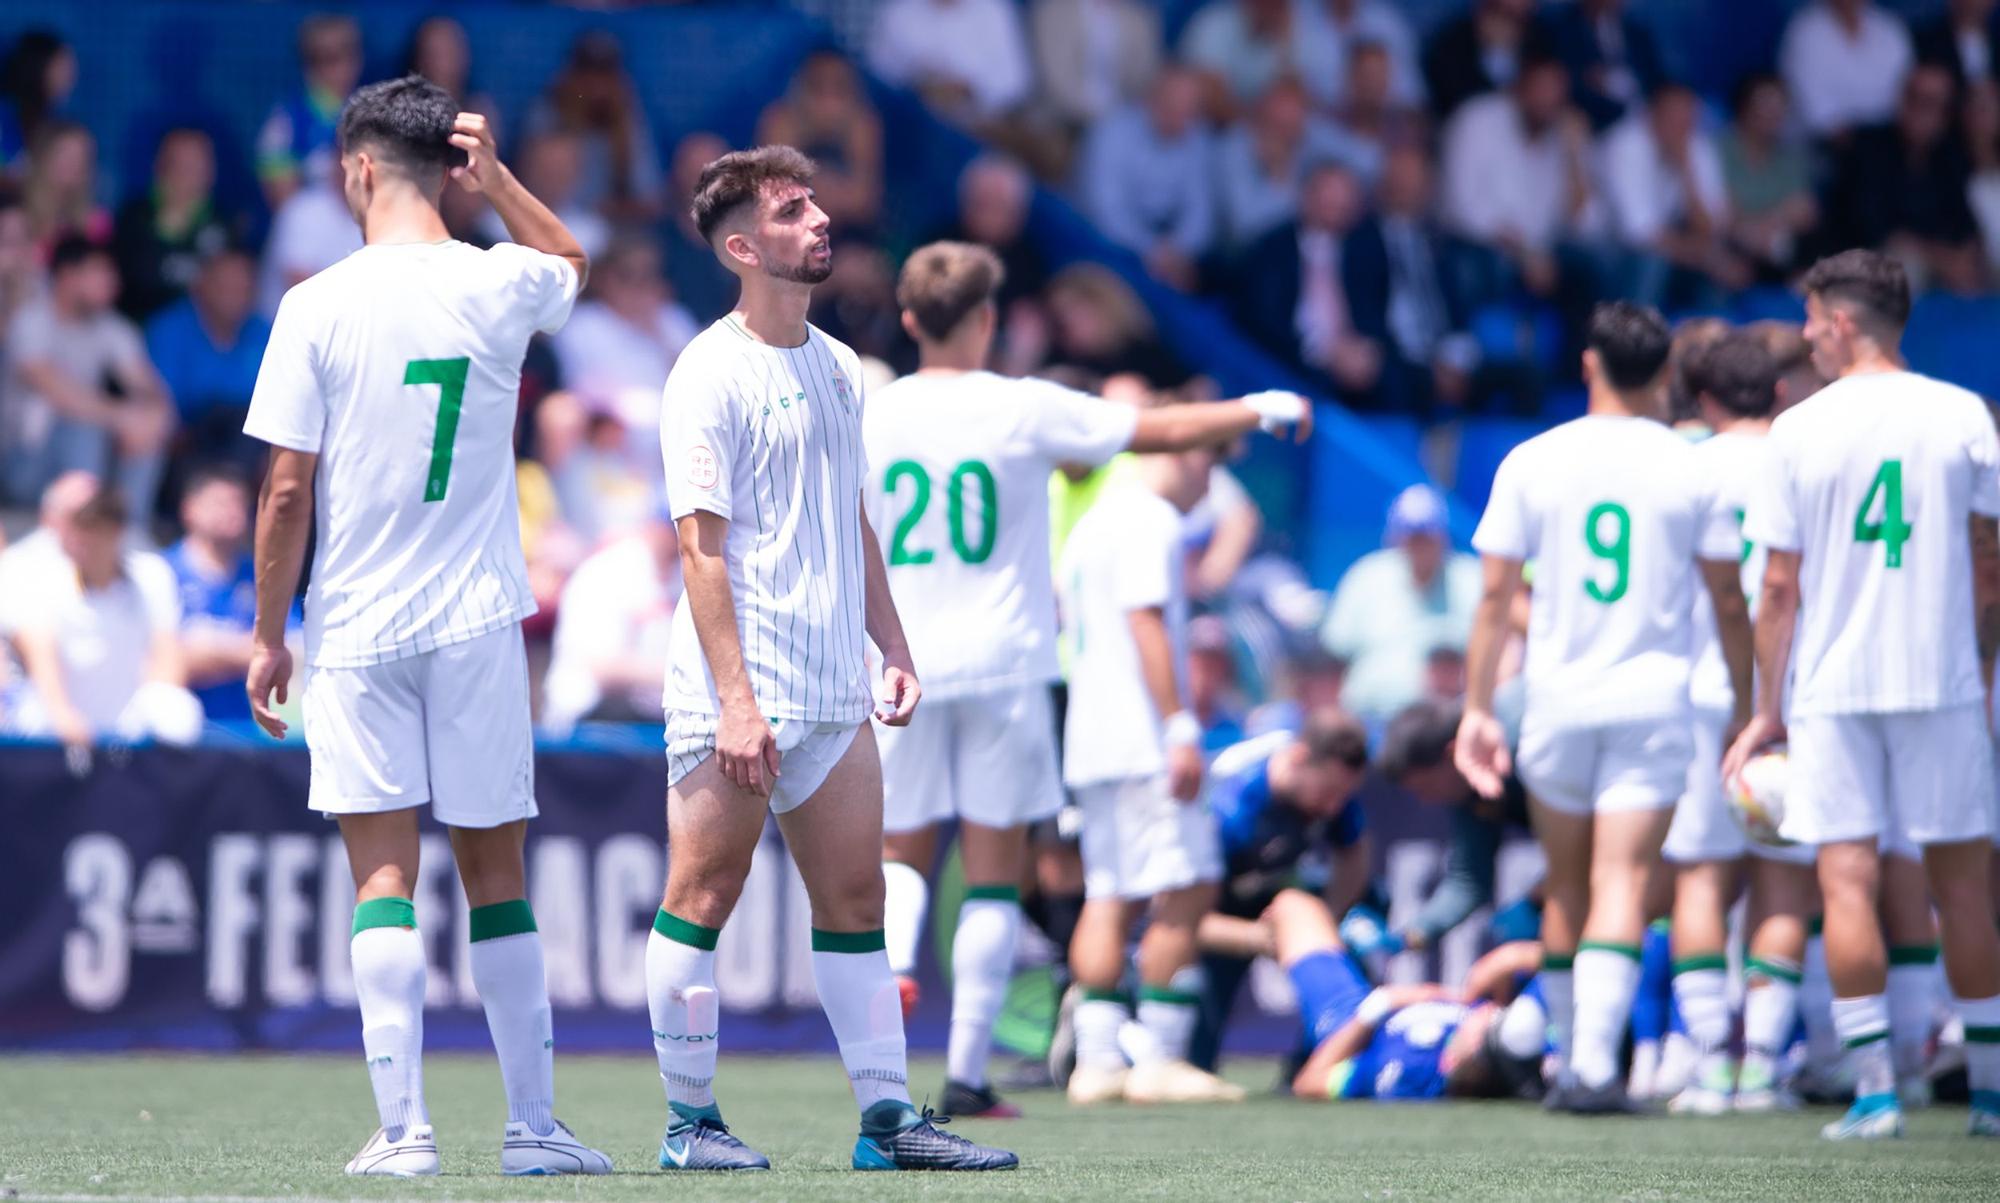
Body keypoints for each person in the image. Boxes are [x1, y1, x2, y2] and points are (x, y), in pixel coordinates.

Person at [241, 76, 607, 1177]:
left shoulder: (316, 301)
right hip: (478, 621)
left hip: (355, 625)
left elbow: (285, 493)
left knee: (382, 882)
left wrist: (270, 633)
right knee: (497, 876)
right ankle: (533, 1129)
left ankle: (404, 1133)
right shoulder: (498, 281)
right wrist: (499, 185)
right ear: (449, 163)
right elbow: (573, 266)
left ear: (357, 167)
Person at [863, 240, 1309, 1116]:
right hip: (1005, 663)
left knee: (901, 857)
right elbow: (1156, 430)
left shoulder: (872, 412)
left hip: (900, 660)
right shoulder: (1023, 406)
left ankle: (892, 1004)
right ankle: (964, 1075)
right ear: (989, 319)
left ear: (911, 320)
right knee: (992, 874)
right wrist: (1254, 408)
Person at [648, 146, 1014, 1173]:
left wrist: (890, 644)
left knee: (858, 902)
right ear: (739, 246)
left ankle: (888, 1123)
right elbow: (697, 547)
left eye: (811, 202)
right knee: (700, 898)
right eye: (791, 209)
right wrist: (732, 701)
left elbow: (852, 520)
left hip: (829, 685)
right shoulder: (706, 371)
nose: (817, 219)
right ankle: (689, 1128)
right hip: (740, 687)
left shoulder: (837, 365)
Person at [1722, 249, 2000, 1142]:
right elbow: (1992, 554)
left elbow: (1776, 587)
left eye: (1809, 320)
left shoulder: (1797, 428)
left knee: (1845, 883)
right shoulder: (1963, 413)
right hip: (1942, 676)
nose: (1803, 336)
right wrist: (1981, 662)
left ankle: (1875, 1093)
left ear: (1842, 321)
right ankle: (1991, 1097)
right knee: (1962, 891)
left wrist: (1767, 708)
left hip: (1834, 687)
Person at [1455, 301, 1754, 1113]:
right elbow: (1730, 602)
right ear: (1665, 373)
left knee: (1566, 882)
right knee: (1622, 880)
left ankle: (1560, 1058)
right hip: (1653, 697)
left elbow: (1491, 598)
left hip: (1555, 699)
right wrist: (1747, 703)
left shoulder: (1532, 458)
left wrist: (1478, 707)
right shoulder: (1695, 466)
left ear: (1588, 364)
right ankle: (1592, 1064)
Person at [1057, 440, 1248, 1106]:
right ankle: (1160, 1056)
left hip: (1091, 737)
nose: (1214, 482)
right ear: (1187, 454)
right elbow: (1145, 621)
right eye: (1215, 462)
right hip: (1141, 737)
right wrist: (1178, 722)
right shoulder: (1150, 520)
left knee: (1109, 893)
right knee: (1188, 884)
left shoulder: (1092, 524)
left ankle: (1099, 1058)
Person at [1658, 330, 1819, 1116]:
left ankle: (1709, 1065)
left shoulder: (1683, 468)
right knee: (1783, 879)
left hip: (1698, 695)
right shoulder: (1805, 458)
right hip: (1791, 696)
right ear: (1781, 393)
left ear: (1707, 399)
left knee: (1700, 877)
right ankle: (1759, 1065)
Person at [1191, 715, 1373, 1072]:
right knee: (1197, 1028)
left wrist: (1325, 921)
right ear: (1298, 758)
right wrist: (1256, 938)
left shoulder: (1328, 793)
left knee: (1356, 938)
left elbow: (1355, 853)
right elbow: (1181, 919)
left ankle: (1318, 1064)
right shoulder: (1229, 805)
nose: (1334, 807)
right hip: (1211, 911)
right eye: (1328, 794)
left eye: (1343, 796)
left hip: (1273, 894)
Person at [1269, 891, 1550, 1101]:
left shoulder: (1412, 1071)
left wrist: (1377, 1007)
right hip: (1385, 1006)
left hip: (1348, 1022)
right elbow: (1579, 959)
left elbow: (1309, 1082)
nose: (1489, 1015)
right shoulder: (1533, 1042)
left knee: (1292, 906)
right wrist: (1510, 958)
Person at [7, 485, 199, 755]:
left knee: (177, 712)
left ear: (116, 532)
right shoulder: (41, 578)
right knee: (40, 720)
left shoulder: (153, 575)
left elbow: (167, 656)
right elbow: (41, 656)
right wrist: (65, 717)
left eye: (93, 530)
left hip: (126, 720)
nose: (82, 542)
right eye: (79, 530)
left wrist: (148, 718)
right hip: (54, 719)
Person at [2, 236, 173, 519]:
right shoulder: (31, 320)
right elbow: (61, 394)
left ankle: (130, 530)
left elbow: (150, 389)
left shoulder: (111, 326)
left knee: (145, 429)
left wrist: (151, 416)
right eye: (101, 273)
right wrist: (124, 417)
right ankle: (86, 523)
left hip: (86, 460)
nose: (113, 282)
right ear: (68, 277)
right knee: (84, 428)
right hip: (21, 462)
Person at [1371, 699, 1540, 956]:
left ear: (1452, 755)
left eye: (1425, 787)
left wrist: (1537, 898)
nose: (1425, 800)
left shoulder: (1528, 746)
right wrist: (1411, 935)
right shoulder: (1468, 790)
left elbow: (1594, 842)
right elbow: (1468, 882)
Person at [1321, 485, 1481, 721]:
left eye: (1426, 535)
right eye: (1411, 535)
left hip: (1444, 721)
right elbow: (1334, 652)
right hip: (1368, 717)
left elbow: (1503, 649)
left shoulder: (1471, 578)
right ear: (1393, 536)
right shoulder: (1366, 576)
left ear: (1443, 536)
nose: (1419, 545)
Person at [1826, 65, 1983, 295]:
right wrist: (1942, 259)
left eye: (1935, 105)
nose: (1923, 112)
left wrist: (1967, 255)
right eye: (1916, 99)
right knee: (1905, 268)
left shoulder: (1949, 157)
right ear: (1902, 100)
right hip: (1868, 263)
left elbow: (1964, 222)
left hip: (1940, 259)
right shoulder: (1867, 147)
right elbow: (1875, 228)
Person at [540, 507, 680, 732]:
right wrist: (685, 676)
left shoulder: (676, 573)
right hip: (584, 722)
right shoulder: (608, 571)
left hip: (644, 718)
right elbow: (603, 669)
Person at [1079, 65, 1216, 291]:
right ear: (1152, 98)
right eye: (1171, 108)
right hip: (1103, 241)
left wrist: (1176, 250)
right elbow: (1105, 211)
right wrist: (1152, 250)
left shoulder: (1197, 140)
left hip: (1164, 249)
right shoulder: (1111, 131)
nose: (1179, 120)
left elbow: (1201, 213)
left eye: (1188, 113)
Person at [146, 247, 270, 472]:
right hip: (188, 446)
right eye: (225, 288)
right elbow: (164, 404)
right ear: (200, 286)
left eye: (243, 289)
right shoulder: (169, 328)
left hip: (250, 448)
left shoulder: (263, 331)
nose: (235, 298)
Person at [161, 466, 263, 723]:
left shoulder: (260, 576)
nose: (231, 512)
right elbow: (160, 657)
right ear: (189, 509)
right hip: (178, 732)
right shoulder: (161, 573)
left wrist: (209, 650)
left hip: (246, 731)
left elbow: (292, 648)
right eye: (219, 503)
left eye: (239, 504)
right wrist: (247, 652)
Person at [524, 32, 663, 220]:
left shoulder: (627, 119)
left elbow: (649, 199)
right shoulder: (546, 112)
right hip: (548, 219)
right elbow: (524, 186)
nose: (595, 86)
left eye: (604, 76)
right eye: (587, 75)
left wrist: (606, 210)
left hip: (607, 230)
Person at [112, 127, 239, 322]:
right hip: (141, 330)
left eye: (199, 163)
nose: (191, 172)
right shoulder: (134, 218)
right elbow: (129, 284)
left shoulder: (224, 222)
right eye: (182, 164)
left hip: (206, 337)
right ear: (160, 167)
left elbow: (234, 288)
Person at [755, 52, 884, 237]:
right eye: (818, 88)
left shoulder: (862, 125)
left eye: (838, 88)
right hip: (790, 234)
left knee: (854, 263)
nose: (828, 101)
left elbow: (865, 202)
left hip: (851, 238)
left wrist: (814, 191)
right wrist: (836, 193)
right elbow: (776, 199)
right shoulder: (781, 122)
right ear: (800, 90)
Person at [867, 0, 1033, 128]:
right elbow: (877, 80)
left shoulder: (993, 10)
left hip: (986, 124)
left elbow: (1017, 81)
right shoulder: (898, 14)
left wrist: (967, 89)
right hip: (917, 124)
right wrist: (919, 86)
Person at [254, 14, 362, 211]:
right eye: (325, 57)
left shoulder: (372, 114)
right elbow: (287, 207)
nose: (341, 66)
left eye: (348, 52)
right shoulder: (283, 124)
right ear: (307, 64)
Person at [1718, 75, 1819, 279]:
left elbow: (1803, 210)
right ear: (1744, 107)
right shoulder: (1719, 150)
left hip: (1778, 239)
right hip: (1731, 242)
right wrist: (1751, 231)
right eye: (1764, 105)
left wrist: (1766, 226)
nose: (1772, 114)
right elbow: (1724, 213)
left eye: (1779, 106)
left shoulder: (1790, 156)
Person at [1779, 0, 1914, 141]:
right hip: (1820, 141)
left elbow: (1906, 88)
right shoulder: (1804, 31)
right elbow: (1809, 103)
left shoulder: (1890, 27)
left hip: (1887, 137)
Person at [1540, 0, 1666, 130]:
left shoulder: (1637, 33)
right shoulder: (1561, 27)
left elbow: (1656, 83)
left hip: (1641, 121)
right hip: (1589, 122)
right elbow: (1563, 80)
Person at [1422, 0, 1553, 121]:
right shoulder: (1450, 46)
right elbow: (1455, 102)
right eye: (1500, 14)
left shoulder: (1540, 41)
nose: (1505, 26)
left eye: (1514, 20)